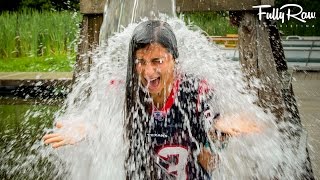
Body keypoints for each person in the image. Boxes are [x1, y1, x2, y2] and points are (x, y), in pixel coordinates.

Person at [43, 20, 260, 179]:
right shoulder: (122, 90)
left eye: (157, 61)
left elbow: (210, 154)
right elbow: (100, 121)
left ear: (174, 59)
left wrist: (220, 133)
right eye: (141, 62)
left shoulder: (195, 91)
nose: (148, 71)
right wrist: (86, 127)